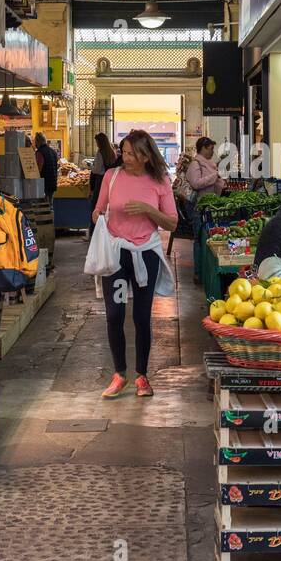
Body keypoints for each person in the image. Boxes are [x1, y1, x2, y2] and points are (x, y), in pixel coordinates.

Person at [91, 128, 177, 399]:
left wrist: (148, 209)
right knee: (115, 315)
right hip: (116, 254)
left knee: (142, 316)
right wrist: (99, 217)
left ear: (146, 156)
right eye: (123, 152)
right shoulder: (111, 176)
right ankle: (119, 374)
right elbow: (97, 210)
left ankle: (142, 375)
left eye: (131, 154)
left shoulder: (161, 180)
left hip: (147, 254)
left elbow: (172, 222)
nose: (125, 158)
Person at [88, 132, 120, 209]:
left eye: (97, 142)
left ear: (100, 142)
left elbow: (97, 170)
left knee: (97, 201)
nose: (96, 144)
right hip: (110, 178)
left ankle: (95, 219)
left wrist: (90, 166)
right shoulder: (111, 151)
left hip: (100, 179)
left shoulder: (100, 153)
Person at [34, 132, 59, 198]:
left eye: (35, 141)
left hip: (44, 184)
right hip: (53, 183)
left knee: (45, 206)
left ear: (38, 142)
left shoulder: (40, 152)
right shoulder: (53, 151)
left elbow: (38, 169)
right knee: (51, 205)